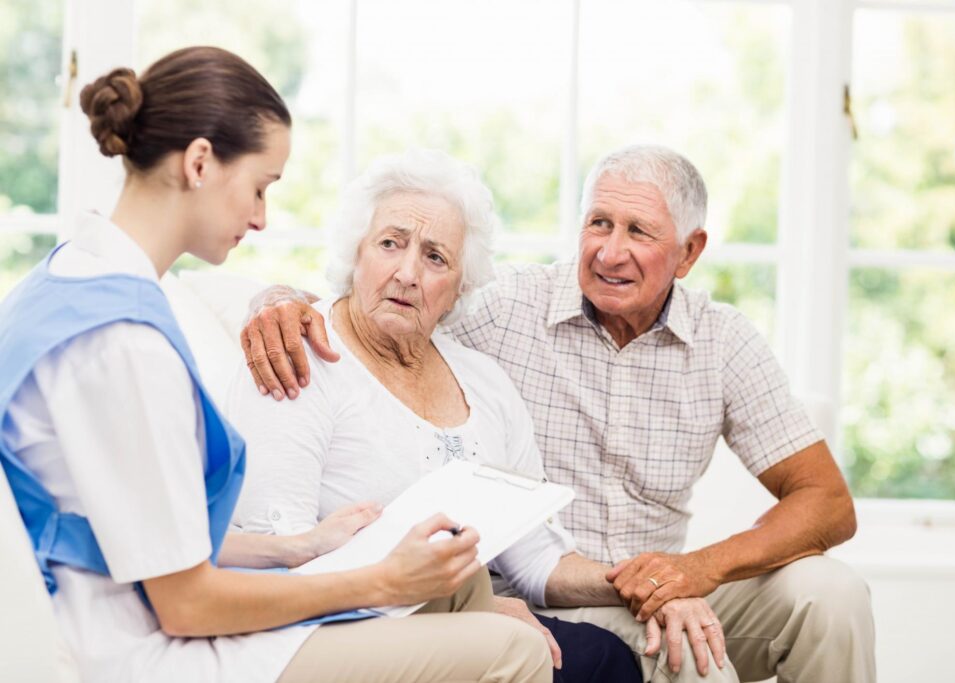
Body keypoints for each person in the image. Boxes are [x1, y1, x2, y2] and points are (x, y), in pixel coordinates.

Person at [0, 47, 552, 683]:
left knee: (462, 585)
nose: (261, 217)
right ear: (200, 163)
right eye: (260, 187)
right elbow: (187, 604)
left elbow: (134, 531)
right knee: (517, 649)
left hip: (130, 602)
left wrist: (298, 547)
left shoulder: (68, 276)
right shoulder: (125, 345)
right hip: (148, 650)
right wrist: (376, 579)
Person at [243, 144, 877, 683]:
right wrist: (276, 300)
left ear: (688, 253)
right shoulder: (504, 308)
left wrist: (692, 574)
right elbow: (369, 299)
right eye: (598, 223)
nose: (609, 252)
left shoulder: (723, 342)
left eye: (639, 232)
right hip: (533, 602)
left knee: (832, 594)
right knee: (691, 664)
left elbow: (827, 503)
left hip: (636, 583)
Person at [225, 149, 646, 683]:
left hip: (464, 607)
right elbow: (280, 552)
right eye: (390, 244)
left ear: (458, 289)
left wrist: (648, 584)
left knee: (605, 658)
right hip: (336, 626)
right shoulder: (296, 354)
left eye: (435, 258)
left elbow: (537, 555)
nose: (407, 272)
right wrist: (467, 610)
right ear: (356, 254)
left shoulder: (486, 383)